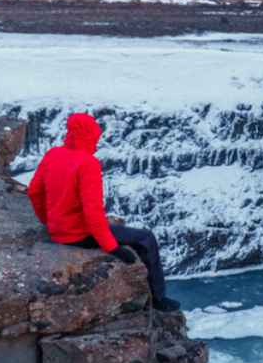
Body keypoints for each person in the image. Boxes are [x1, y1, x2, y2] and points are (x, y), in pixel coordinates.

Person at [27, 112, 180, 312]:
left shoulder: (53, 154)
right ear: (89, 136)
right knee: (146, 238)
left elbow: (35, 191)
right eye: (95, 137)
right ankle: (159, 299)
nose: (97, 142)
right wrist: (113, 248)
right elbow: (93, 213)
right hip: (78, 235)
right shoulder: (87, 163)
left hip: (57, 231)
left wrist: (49, 222)